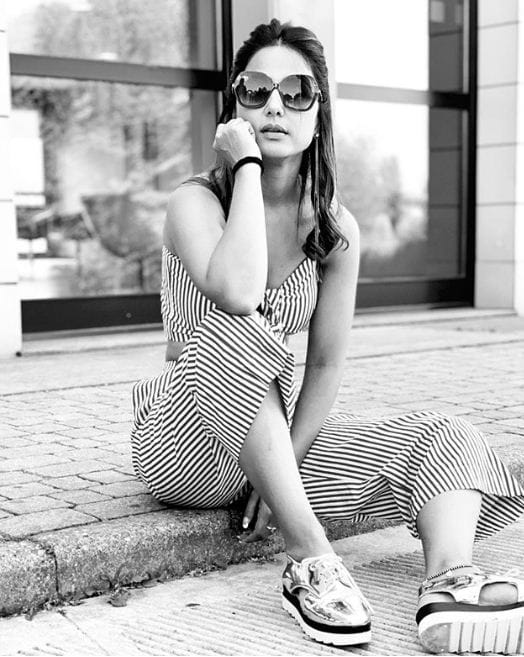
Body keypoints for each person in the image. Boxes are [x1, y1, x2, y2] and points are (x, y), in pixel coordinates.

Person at [131, 18, 524, 653]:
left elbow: (325, 365)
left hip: (274, 439)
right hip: (184, 441)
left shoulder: (335, 229)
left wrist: (283, 462)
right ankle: (312, 560)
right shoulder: (194, 202)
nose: (275, 106)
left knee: (442, 433)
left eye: (296, 92)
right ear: (234, 109)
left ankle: (450, 583)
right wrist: (248, 167)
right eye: (256, 90)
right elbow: (237, 292)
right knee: (240, 325)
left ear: (319, 115)